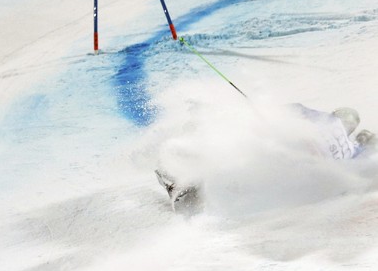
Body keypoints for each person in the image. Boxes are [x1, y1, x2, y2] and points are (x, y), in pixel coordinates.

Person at [156, 105, 377, 210]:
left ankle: (191, 167)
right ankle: (196, 184)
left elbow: (294, 110)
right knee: (255, 169)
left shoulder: (328, 120)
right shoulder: (354, 155)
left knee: (243, 149)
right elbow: (356, 177)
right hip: (301, 165)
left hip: (290, 148)